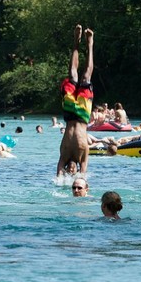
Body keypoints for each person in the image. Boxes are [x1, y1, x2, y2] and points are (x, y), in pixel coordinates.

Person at [57, 25, 94, 176]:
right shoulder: (83, 157)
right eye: (73, 171)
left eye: (68, 170)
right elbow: (83, 177)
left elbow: (58, 176)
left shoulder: (63, 156)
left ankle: (76, 42)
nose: (70, 169)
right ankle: (90, 44)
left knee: (73, 75)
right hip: (83, 115)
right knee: (86, 77)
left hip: (69, 114)